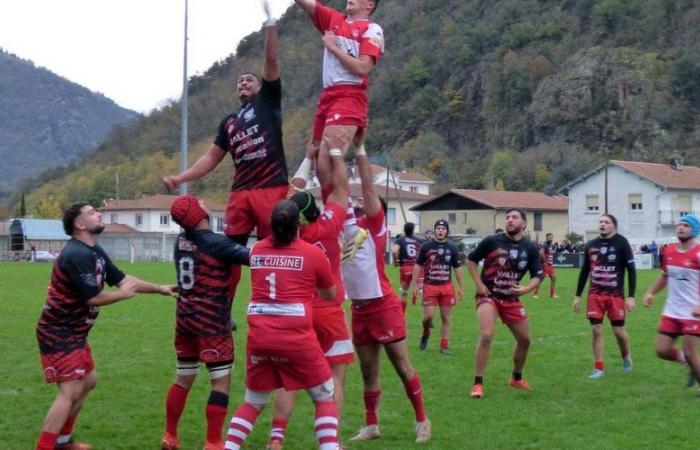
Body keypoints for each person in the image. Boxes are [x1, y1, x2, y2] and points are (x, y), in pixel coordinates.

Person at [163, 2, 284, 296]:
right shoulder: (229, 121)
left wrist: (270, 26)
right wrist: (182, 179)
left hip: (271, 187)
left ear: (259, 87)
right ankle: (223, 306)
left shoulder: (267, 101)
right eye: (239, 81)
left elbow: (270, 64)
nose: (243, 82)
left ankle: (273, 301)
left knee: (276, 249)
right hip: (240, 192)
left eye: (249, 79)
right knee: (230, 251)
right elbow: (211, 158)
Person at [35, 204, 177, 450]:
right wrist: (123, 295)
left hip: (75, 332)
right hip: (58, 331)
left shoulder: (94, 251)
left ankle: (62, 442)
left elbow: (124, 280)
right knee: (69, 390)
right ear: (80, 225)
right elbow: (93, 297)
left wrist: (159, 288)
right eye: (91, 213)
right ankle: (45, 447)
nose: (98, 214)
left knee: (88, 381)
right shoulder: (76, 254)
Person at [224, 200, 341, 450]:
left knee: (253, 402)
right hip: (296, 338)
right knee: (323, 395)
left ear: (270, 226)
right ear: (298, 225)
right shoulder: (312, 253)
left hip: (259, 337)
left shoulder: (256, 251)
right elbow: (330, 294)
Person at [265, 144, 354, 450]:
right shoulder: (328, 227)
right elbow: (342, 189)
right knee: (335, 378)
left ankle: (276, 439)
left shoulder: (285, 234)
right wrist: (338, 154)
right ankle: (332, 441)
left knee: (290, 377)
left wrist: (307, 158)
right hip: (329, 310)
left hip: (295, 313)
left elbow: (294, 189)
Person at [341, 150, 431, 443]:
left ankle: (422, 421)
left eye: (362, 204)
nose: (356, 205)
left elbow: (368, 187)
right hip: (360, 309)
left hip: (383, 306)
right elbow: (336, 189)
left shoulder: (374, 227)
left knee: (402, 366)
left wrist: (361, 152)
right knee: (368, 371)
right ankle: (371, 425)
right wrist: (329, 155)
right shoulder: (344, 228)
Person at [160, 196, 251, 450]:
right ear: (198, 214)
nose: (205, 203)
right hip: (211, 322)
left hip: (185, 319)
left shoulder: (181, 241)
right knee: (220, 381)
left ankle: (170, 435)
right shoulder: (216, 244)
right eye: (201, 202)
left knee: (183, 379)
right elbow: (253, 258)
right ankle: (213, 441)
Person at [292, 0, 383, 191]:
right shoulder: (334, 19)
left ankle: (344, 217)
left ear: (369, 5)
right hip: (327, 96)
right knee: (320, 168)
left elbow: (363, 67)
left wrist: (334, 48)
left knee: (329, 161)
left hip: (349, 95)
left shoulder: (372, 29)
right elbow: (307, 4)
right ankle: (336, 214)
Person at [466, 210, 543, 399]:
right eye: (507, 217)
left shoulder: (530, 248)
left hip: (511, 299)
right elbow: (470, 260)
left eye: (514, 217)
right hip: (488, 296)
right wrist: (479, 284)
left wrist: (525, 289)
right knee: (486, 334)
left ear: (524, 223)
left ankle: (516, 378)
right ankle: (477, 383)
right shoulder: (492, 241)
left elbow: (539, 275)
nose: (509, 220)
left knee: (525, 339)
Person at [573, 214, 636, 379]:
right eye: (600, 222)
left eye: (606, 222)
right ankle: (599, 368)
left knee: (619, 332)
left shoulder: (622, 242)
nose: (602, 224)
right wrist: (577, 296)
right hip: (595, 294)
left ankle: (626, 357)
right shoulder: (591, 245)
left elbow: (631, 270)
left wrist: (631, 296)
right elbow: (585, 271)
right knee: (596, 329)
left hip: (616, 295)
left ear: (614, 226)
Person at [643, 215, 700, 389]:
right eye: (679, 225)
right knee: (662, 350)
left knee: (691, 352)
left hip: (693, 312)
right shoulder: (669, 251)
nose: (680, 228)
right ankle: (687, 361)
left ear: (695, 230)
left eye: (686, 225)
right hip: (672, 311)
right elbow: (665, 276)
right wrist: (651, 292)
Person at [414, 220, 464, 354]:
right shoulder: (426, 246)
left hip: (446, 287)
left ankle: (444, 346)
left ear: (447, 231)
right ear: (435, 230)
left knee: (445, 318)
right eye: (438, 228)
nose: (440, 230)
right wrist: (415, 285)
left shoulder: (452, 248)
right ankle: (426, 334)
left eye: (443, 228)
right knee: (428, 318)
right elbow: (418, 265)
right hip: (430, 287)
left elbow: (458, 268)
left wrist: (461, 287)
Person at [392, 222, 425, 308]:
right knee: (421, 288)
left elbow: (394, 251)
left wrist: (396, 261)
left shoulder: (400, 240)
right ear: (413, 230)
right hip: (418, 267)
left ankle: (402, 313)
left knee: (404, 291)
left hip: (405, 267)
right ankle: (427, 308)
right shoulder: (419, 241)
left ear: (404, 230)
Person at [533, 233, 558, 299]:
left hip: (550, 265)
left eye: (551, 237)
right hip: (544, 265)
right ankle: (535, 294)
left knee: (554, 278)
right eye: (549, 237)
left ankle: (552, 294)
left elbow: (551, 253)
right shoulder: (545, 244)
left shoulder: (551, 245)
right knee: (541, 279)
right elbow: (541, 253)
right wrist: (544, 261)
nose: (550, 238)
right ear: (546, 238)